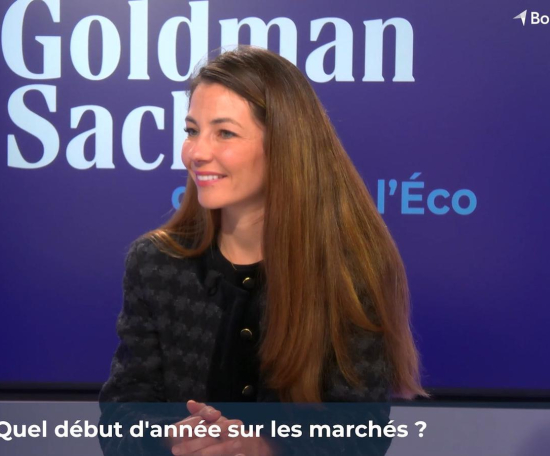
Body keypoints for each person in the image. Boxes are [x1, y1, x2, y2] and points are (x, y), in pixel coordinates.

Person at [98, 46, 427, 455]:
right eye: (192, 130)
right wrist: (170, 438)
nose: (196, 152)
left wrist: (264, 449)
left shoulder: (349, 272)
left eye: (224, 133)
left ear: (283, 145)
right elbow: (122, 411)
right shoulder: (155, 263)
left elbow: (361, 433)